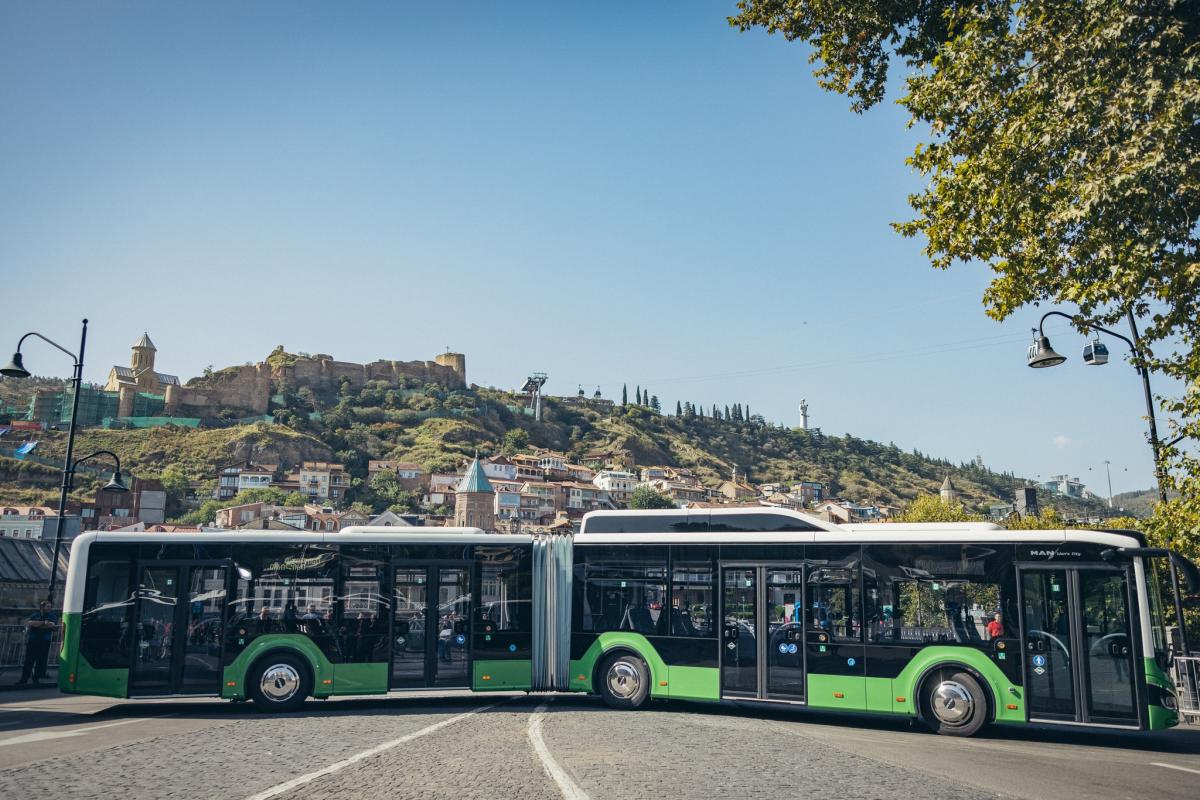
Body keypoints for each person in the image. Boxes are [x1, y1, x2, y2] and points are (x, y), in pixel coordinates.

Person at [18, 601, 57, 686]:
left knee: (40, 661)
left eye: (50, 607)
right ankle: (24, 679)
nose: (49, 608)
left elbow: (52, 625)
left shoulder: (52, 615)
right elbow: (30, 623)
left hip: (44, 641)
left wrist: (38, 624)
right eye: (47, 606)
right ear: (42, 607)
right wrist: (43, 623)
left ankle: (36, 679)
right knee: (29, 660)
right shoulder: (35, 615)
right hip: (33, 640)